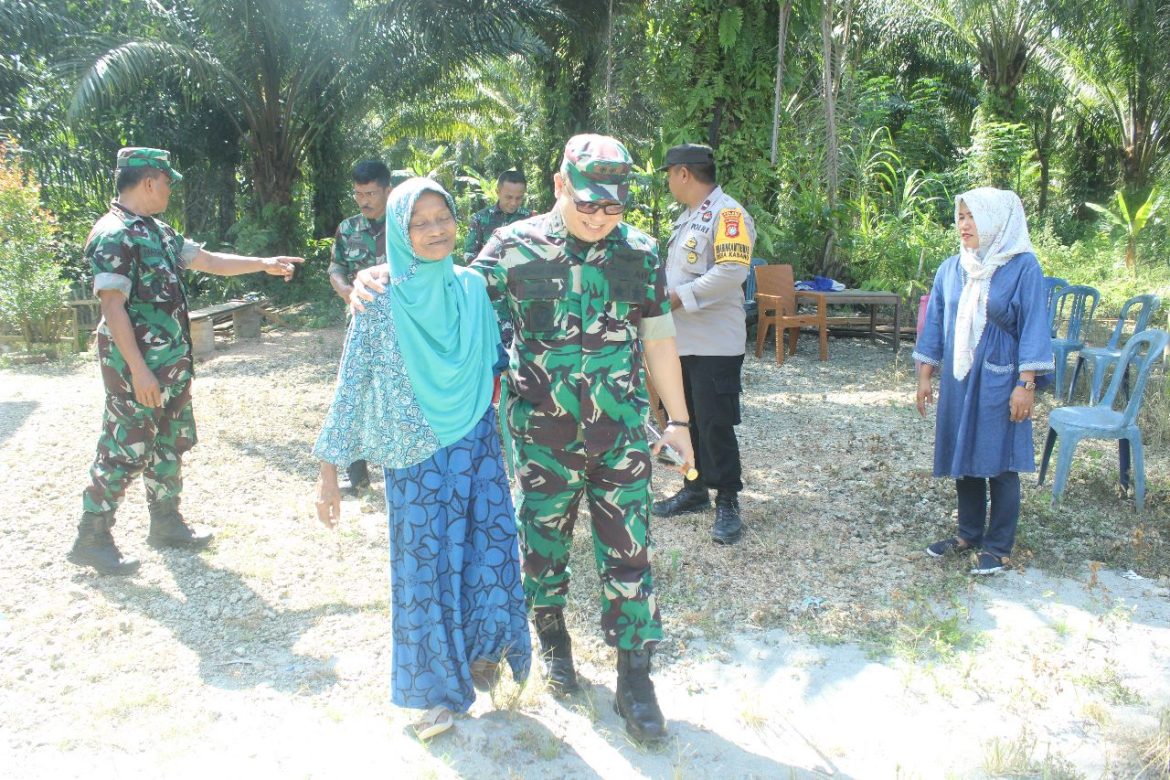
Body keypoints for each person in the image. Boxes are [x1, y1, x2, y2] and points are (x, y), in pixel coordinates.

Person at [353, 134, 695, 745]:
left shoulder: (641, 253)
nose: (599, 217)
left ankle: (634, 678)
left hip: (619, 437)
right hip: (543, 439)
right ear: (561, 185)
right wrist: (382, 273)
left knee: (630, 555)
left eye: (613, 206)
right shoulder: (513, 247)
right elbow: (445, 287)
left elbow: (660, 338)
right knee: (542, 549)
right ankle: (553, 638)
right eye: (589, 203)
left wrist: (680, 422)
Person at [314, 177, 531, 740]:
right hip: (415, 455)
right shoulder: (378, 298)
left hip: (477, 445)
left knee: (489, 550)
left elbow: (494, 367)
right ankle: (437, 693)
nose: (436, 231)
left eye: (444, 219)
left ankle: (484, 657)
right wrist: (328, 473)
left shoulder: (470, 287)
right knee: (426, 573)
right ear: (399, 231)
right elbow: (351, 383)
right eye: (421, 222)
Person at [68, 147, 302, 576]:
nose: (172, 188)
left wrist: (263, 264)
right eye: (168, 180)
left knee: (168, 443)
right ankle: (92, 537)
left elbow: (209, 261)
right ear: (150, 181)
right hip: (136, 370)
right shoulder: (113, 234)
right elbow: (112, 308)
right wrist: (139, 371)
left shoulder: (156, 230)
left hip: (171, 367)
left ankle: (166, 523)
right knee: (124, 448)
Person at [914, 187, 1054, 575]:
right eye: (960, 216)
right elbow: (935, 323)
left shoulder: (1023, 266)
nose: (963, 225)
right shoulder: (952, 268)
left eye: (972, 216)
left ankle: (998, 546)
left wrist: (1026, 384)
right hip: (961, 378)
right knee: (965, 454)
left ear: (995, 220)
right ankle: (968, 533)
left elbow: (1034, 326)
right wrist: (925, 376)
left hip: (1001, 375)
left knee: (1001, 459)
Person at [651, 143, 755, 545]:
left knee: (714, 423)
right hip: (681, 340)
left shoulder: (728, 214)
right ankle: (694, 488)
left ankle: (727, 499)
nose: (669, 182)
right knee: (685, 419)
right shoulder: (688, 218)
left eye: (669, 174)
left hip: (715, 341)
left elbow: (732, 272)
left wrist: (680, 297)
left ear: (683, 174)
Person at [327, 160, 394, 495]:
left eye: (370, 193)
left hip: (399, 329)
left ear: (387, 190)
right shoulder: (348, 228)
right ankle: (358, 477)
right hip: (360, 324)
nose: (364, 200)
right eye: (358, 194)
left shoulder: (406, 226)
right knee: (355, 393)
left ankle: (400, 468)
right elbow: (335, 267)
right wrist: (346, 291)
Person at [462, 169, 531, 263]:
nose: (513, 203)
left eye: (519, 198)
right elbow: (469, 254)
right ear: (498, 192)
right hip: (489, 275)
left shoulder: (530, 218)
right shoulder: (480, 218)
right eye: (509, 197)